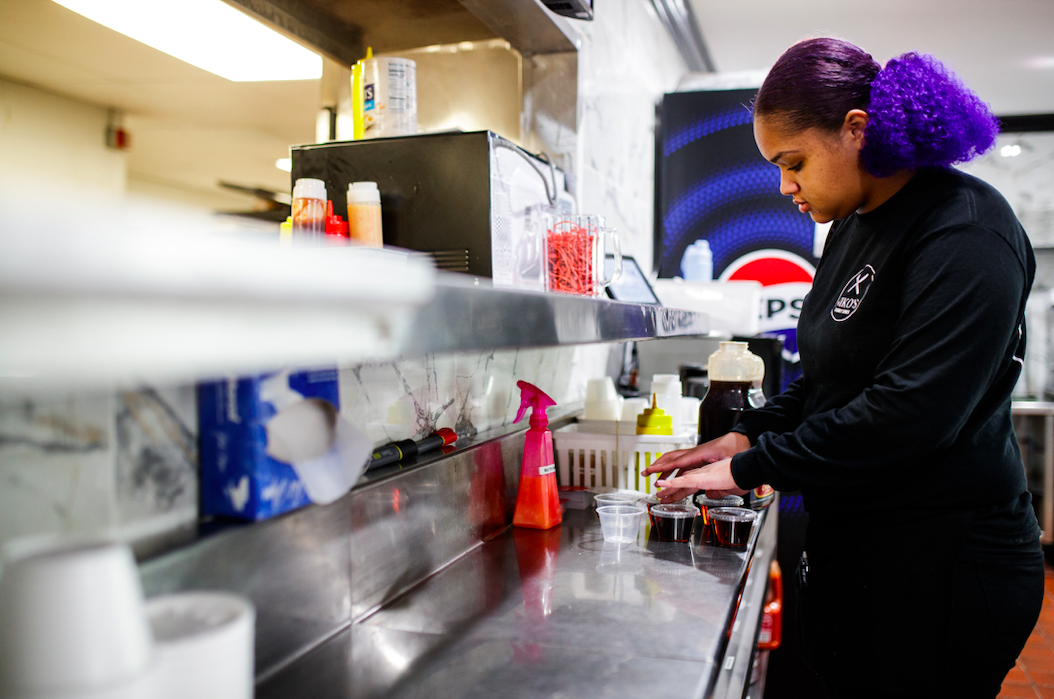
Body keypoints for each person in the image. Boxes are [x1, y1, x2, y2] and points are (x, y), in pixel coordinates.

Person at [644, 38, 1043, 699]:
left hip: (948, 564)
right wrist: (747, 433)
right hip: (863, 552)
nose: (784, 186)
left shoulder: (967, 229)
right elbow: (828, 379)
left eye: (793, 161)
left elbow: (908, 415)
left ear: (857, 129)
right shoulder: (853, 227)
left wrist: (752, 466)